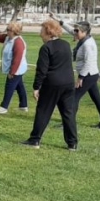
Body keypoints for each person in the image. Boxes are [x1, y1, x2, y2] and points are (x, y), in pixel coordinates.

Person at [21, 20, 78, 150]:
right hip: (68, 83)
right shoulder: (66, 45)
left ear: (48, 32)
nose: (40, 34)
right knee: (68, 113)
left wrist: (36, 87)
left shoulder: (46, 47)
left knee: (43, 111)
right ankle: (72, 143)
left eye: (41, 31)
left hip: (52, 83)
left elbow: (42, 69)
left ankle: (35, 140)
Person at [50, 14, 100, 130]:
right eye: (75, 30)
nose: (75, 32)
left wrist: (81, 78)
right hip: (91, 75)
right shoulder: (83, 38)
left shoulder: (88, 44)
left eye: (77, 31)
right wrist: (56, 19)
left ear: (84, 32)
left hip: (88, 75)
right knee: (97, 98)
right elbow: (68, 28)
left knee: (72, 98)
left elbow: (88, 62)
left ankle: (67, 123)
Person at [0, 21, 29, 114]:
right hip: (15, 69)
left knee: (9, 86)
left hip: (17, 69)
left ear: (14, 31)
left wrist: (12, 72)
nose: (6, 31)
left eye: (8, 30)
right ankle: (23, 105)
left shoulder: (18, 42)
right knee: (19, 86)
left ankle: (4, 107)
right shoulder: (8, 38)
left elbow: (17, 59)